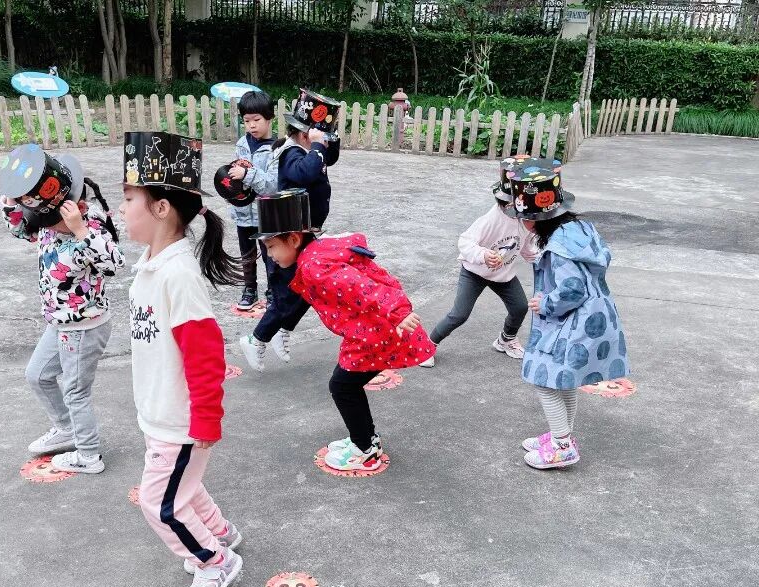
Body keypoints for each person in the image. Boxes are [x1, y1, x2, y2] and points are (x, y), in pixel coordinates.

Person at [120, 131, 245, 587]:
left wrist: (207, 420)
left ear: (160, 208)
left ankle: (214, 560)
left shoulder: (178, 274)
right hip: (160, 412)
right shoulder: (152, 264)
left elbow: (205, 354)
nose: (121, 209)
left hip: (181, 419)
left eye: (128, 199)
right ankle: (220, 533)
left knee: (159, 502)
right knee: (183, 487)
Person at [258, 190, 434, 472]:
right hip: (370, 328)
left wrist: (397, 310)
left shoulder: (314, 265)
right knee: (346, 386)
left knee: (342, 387)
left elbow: (363, 286)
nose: (269, 255)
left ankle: (365, 450)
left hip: (375, 331)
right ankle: (366, 440)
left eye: (270, 246)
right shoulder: (318, 252)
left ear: (293, 240)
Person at [0, 145, 123, 474]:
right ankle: (67, 428)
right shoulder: (46, 226)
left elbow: (114, 263)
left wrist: (81, 231)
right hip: (59, 323)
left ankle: (88, 454)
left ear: (74, 210)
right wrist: (13, 197)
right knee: (37, 375)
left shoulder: (89, 228)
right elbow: (20, 228)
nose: (41, 227)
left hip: (84, 326)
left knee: (75, 390)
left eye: (48, 222)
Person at [511, 159, 629, 470]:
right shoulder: (578, 229)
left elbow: (572, 289)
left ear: (532, 220)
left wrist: (545, 303)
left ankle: (562, 446)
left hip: (574, 323)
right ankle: (560, 435)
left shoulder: (558, 249)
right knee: (563, 379)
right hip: (596, 316)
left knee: (544, 379)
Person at [240, 89, 341, 371]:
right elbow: (304, 173)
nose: (322, 145)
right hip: (285, 238)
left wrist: (329, 139)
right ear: (305, 134)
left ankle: (282, 329)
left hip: (303, 234)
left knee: (310, 288)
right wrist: (318, 146)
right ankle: (256, 339)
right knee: (285, 293)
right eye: (318, 138)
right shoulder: (291, 153)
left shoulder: (310, 150)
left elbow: (330, 158)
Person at [421, 163, 539, 368]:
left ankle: (506, 340)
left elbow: (527, 248)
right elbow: (465, 241)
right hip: (474, 272)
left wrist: (542, 258)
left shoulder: (527, 221)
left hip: (503, 274)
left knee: (520, 307)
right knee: (459, 314)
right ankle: (427, 345)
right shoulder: (492, 219)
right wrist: (483, 255)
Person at [226, 90, 279, 311]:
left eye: (256, 120)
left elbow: (272, 184)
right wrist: (230, 187)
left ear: (269, 118)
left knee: (270, 254)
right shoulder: (242, 144)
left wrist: (247, 174)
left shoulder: (277, 148)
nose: (251, 126)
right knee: (246, 254)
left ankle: (273, 291)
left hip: (266, 214)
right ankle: (250, 289)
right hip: (243, 212)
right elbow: (235, 176)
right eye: (247, 121)